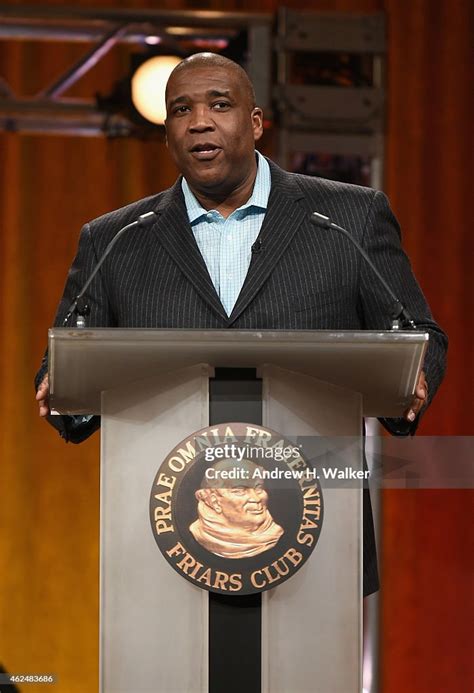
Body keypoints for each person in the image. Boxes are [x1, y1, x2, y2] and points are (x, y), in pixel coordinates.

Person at [35, 52, 448, 595]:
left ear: (255, 123)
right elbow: (66, 364)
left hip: (319, 531)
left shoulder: (347, 218)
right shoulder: (117, 239)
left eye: (220, 105)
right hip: (165, 547)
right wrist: (61, 387)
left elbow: (417, 334)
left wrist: (414, 375)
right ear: (167, 133)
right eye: (181, 109)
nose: (199, 121)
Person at [190, 460, 284, 559]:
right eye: (239, 491)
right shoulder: (199, 533)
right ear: (215, 502)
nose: (256, 499)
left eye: (258, 488)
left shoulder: (275, 533)